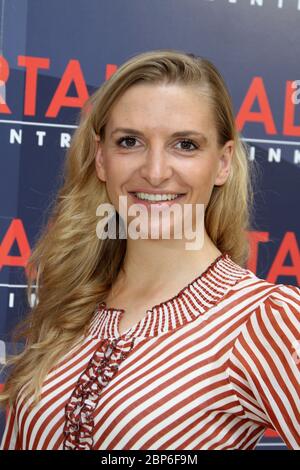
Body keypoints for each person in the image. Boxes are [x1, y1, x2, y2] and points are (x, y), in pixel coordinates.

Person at [0, 49, 299, 450]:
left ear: (223, 163)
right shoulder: (75, 300)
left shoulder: (264, 320)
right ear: (101, 158)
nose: (155, 172)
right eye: (130, 142)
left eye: (185, 145)